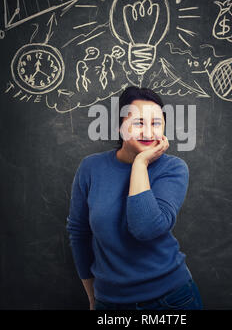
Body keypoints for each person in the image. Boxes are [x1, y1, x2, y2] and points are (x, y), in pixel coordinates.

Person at [66, 86, 203, 310]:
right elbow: (79, 234)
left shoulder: (173, 168)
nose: (148, 133)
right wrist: (92, 297)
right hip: (109, 303)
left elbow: (145, 229)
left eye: (156, 123)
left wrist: (141, 163)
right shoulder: (91, 167)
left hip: (172, 300)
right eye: (138, 123)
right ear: (120, 126)